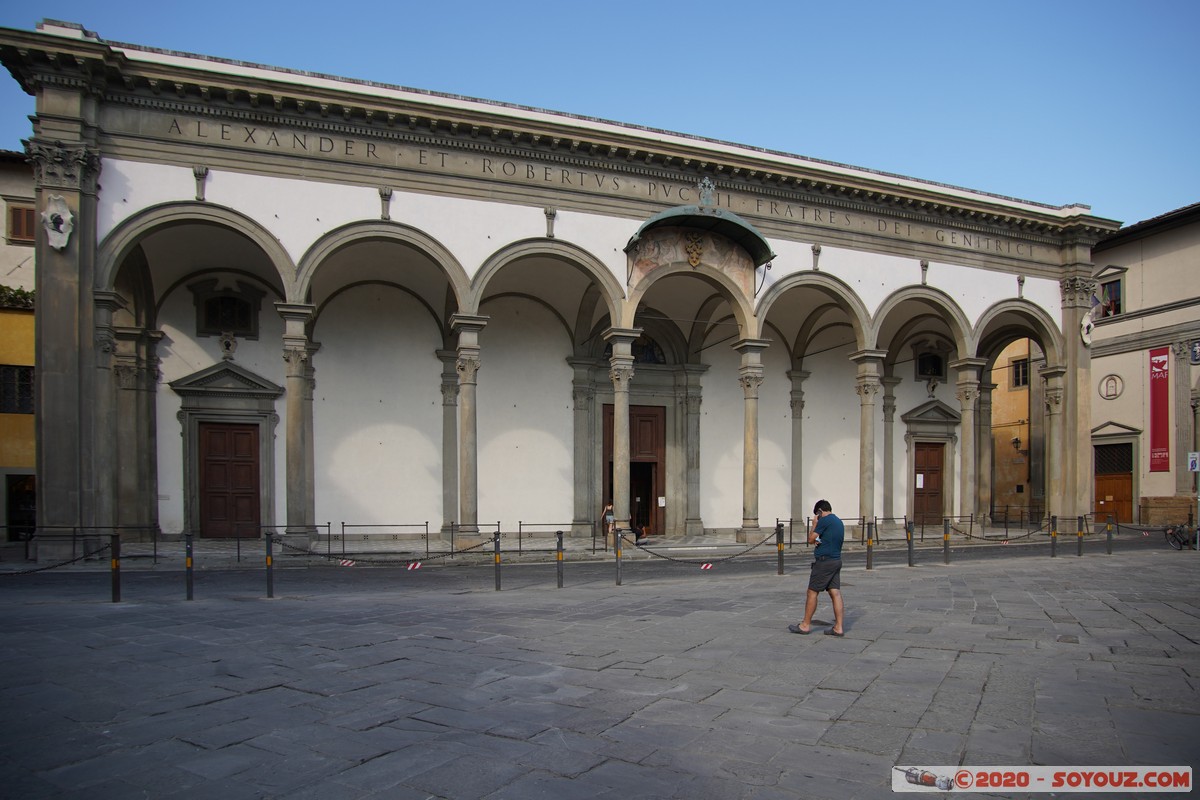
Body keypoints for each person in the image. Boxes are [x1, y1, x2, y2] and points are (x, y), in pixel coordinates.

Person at [788, 499, 846, 636]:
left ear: (820, 511)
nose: (817, 518)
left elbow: (810, 539)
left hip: (824, 563)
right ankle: (838, 627)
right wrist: (819, 541)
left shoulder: (824, 520)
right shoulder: (838, 521)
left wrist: (814, 524)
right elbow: (828, 539)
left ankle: (805, 625)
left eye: (817, 515)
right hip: (836, 560)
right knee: (835, 593)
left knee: (812, 592)